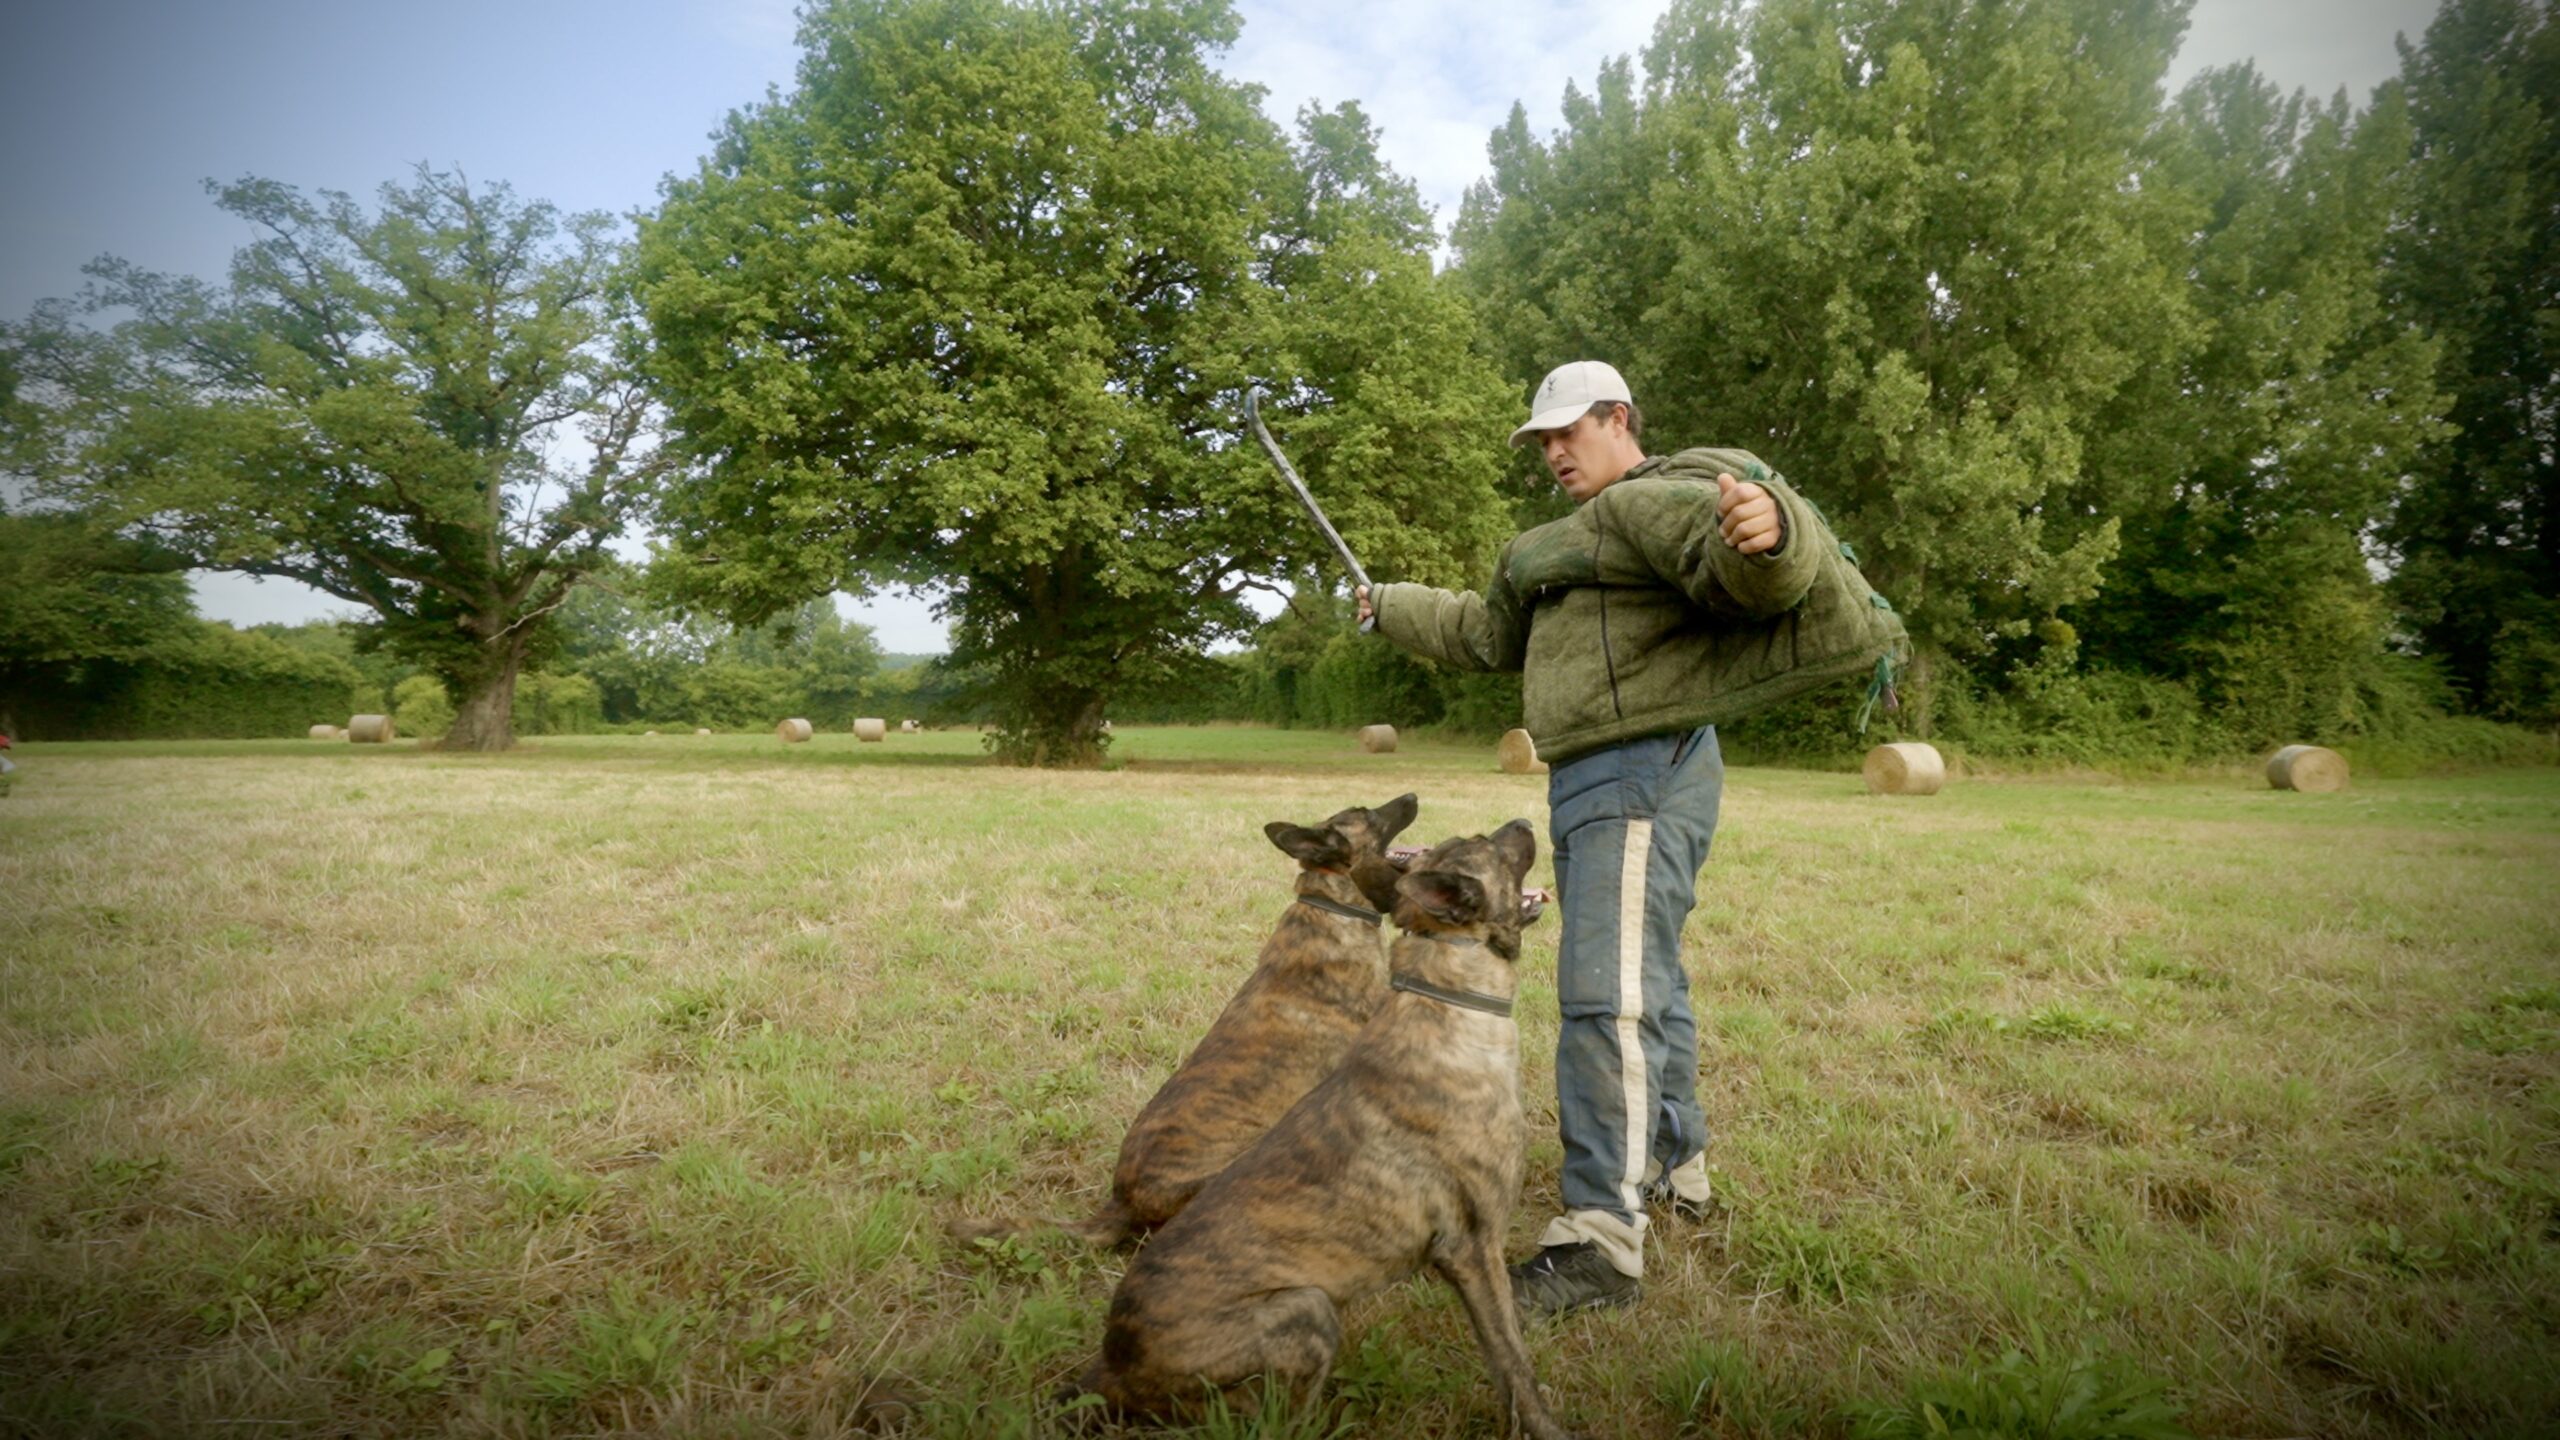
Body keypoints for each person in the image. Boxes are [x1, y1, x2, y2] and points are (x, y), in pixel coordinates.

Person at [1357, 360, 1903, 1314]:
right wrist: (1390, 605)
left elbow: (1737, 569)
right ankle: (1672, 1167)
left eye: (1569, 431)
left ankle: (1600, 1240)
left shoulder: (1654, 499)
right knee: (1645, 977)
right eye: (1543, 441)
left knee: (1603, 996)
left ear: (1620, 418)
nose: (1554, 453)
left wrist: (1768, 535)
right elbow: (1487, 636)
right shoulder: (1568, 544)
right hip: (1601, 768)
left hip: (1638, 763)